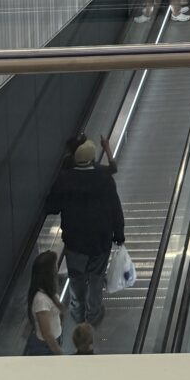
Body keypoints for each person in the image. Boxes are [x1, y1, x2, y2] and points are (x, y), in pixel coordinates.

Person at [45, 138, 126, 326]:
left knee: (76, 279)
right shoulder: (104, 178)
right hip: (100, 242)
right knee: (96, 279)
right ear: (92, 159)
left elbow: (52, 207)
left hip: (75, 243)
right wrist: (119, 235)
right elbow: (115, 209)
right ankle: (94, 314)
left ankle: (77, 314)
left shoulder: (65, 179)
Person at [26, 250, 64, 355]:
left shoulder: (48, 291)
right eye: (55, 266)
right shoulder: (41, 301)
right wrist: (60, 353)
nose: (57, 269)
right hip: (46, 347)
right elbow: (47, 334)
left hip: (54, 340)